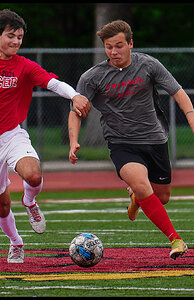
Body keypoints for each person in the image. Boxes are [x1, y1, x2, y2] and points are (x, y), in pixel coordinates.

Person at [68, 20, 194, 259]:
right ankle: (176, 240)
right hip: (121, 143)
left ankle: (136, 197)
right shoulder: (92, 77)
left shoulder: (148, 65)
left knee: (162, 197)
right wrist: (73, 141)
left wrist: (193, 121)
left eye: (118, 46)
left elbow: (177, 91)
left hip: (155, 140)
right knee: (143, 185)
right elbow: (76, 110)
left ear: (130, 44)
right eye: (108, 47)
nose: (113, 52)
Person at [0, 9, 91, 263]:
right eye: (10, 36)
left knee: (33, 174)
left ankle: (30, 202)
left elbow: (52, 83)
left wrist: (74, 95)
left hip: (11, 135)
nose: (16, 42)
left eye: (19, 37)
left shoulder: (24, 66)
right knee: (2, 205)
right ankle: (16, 243)